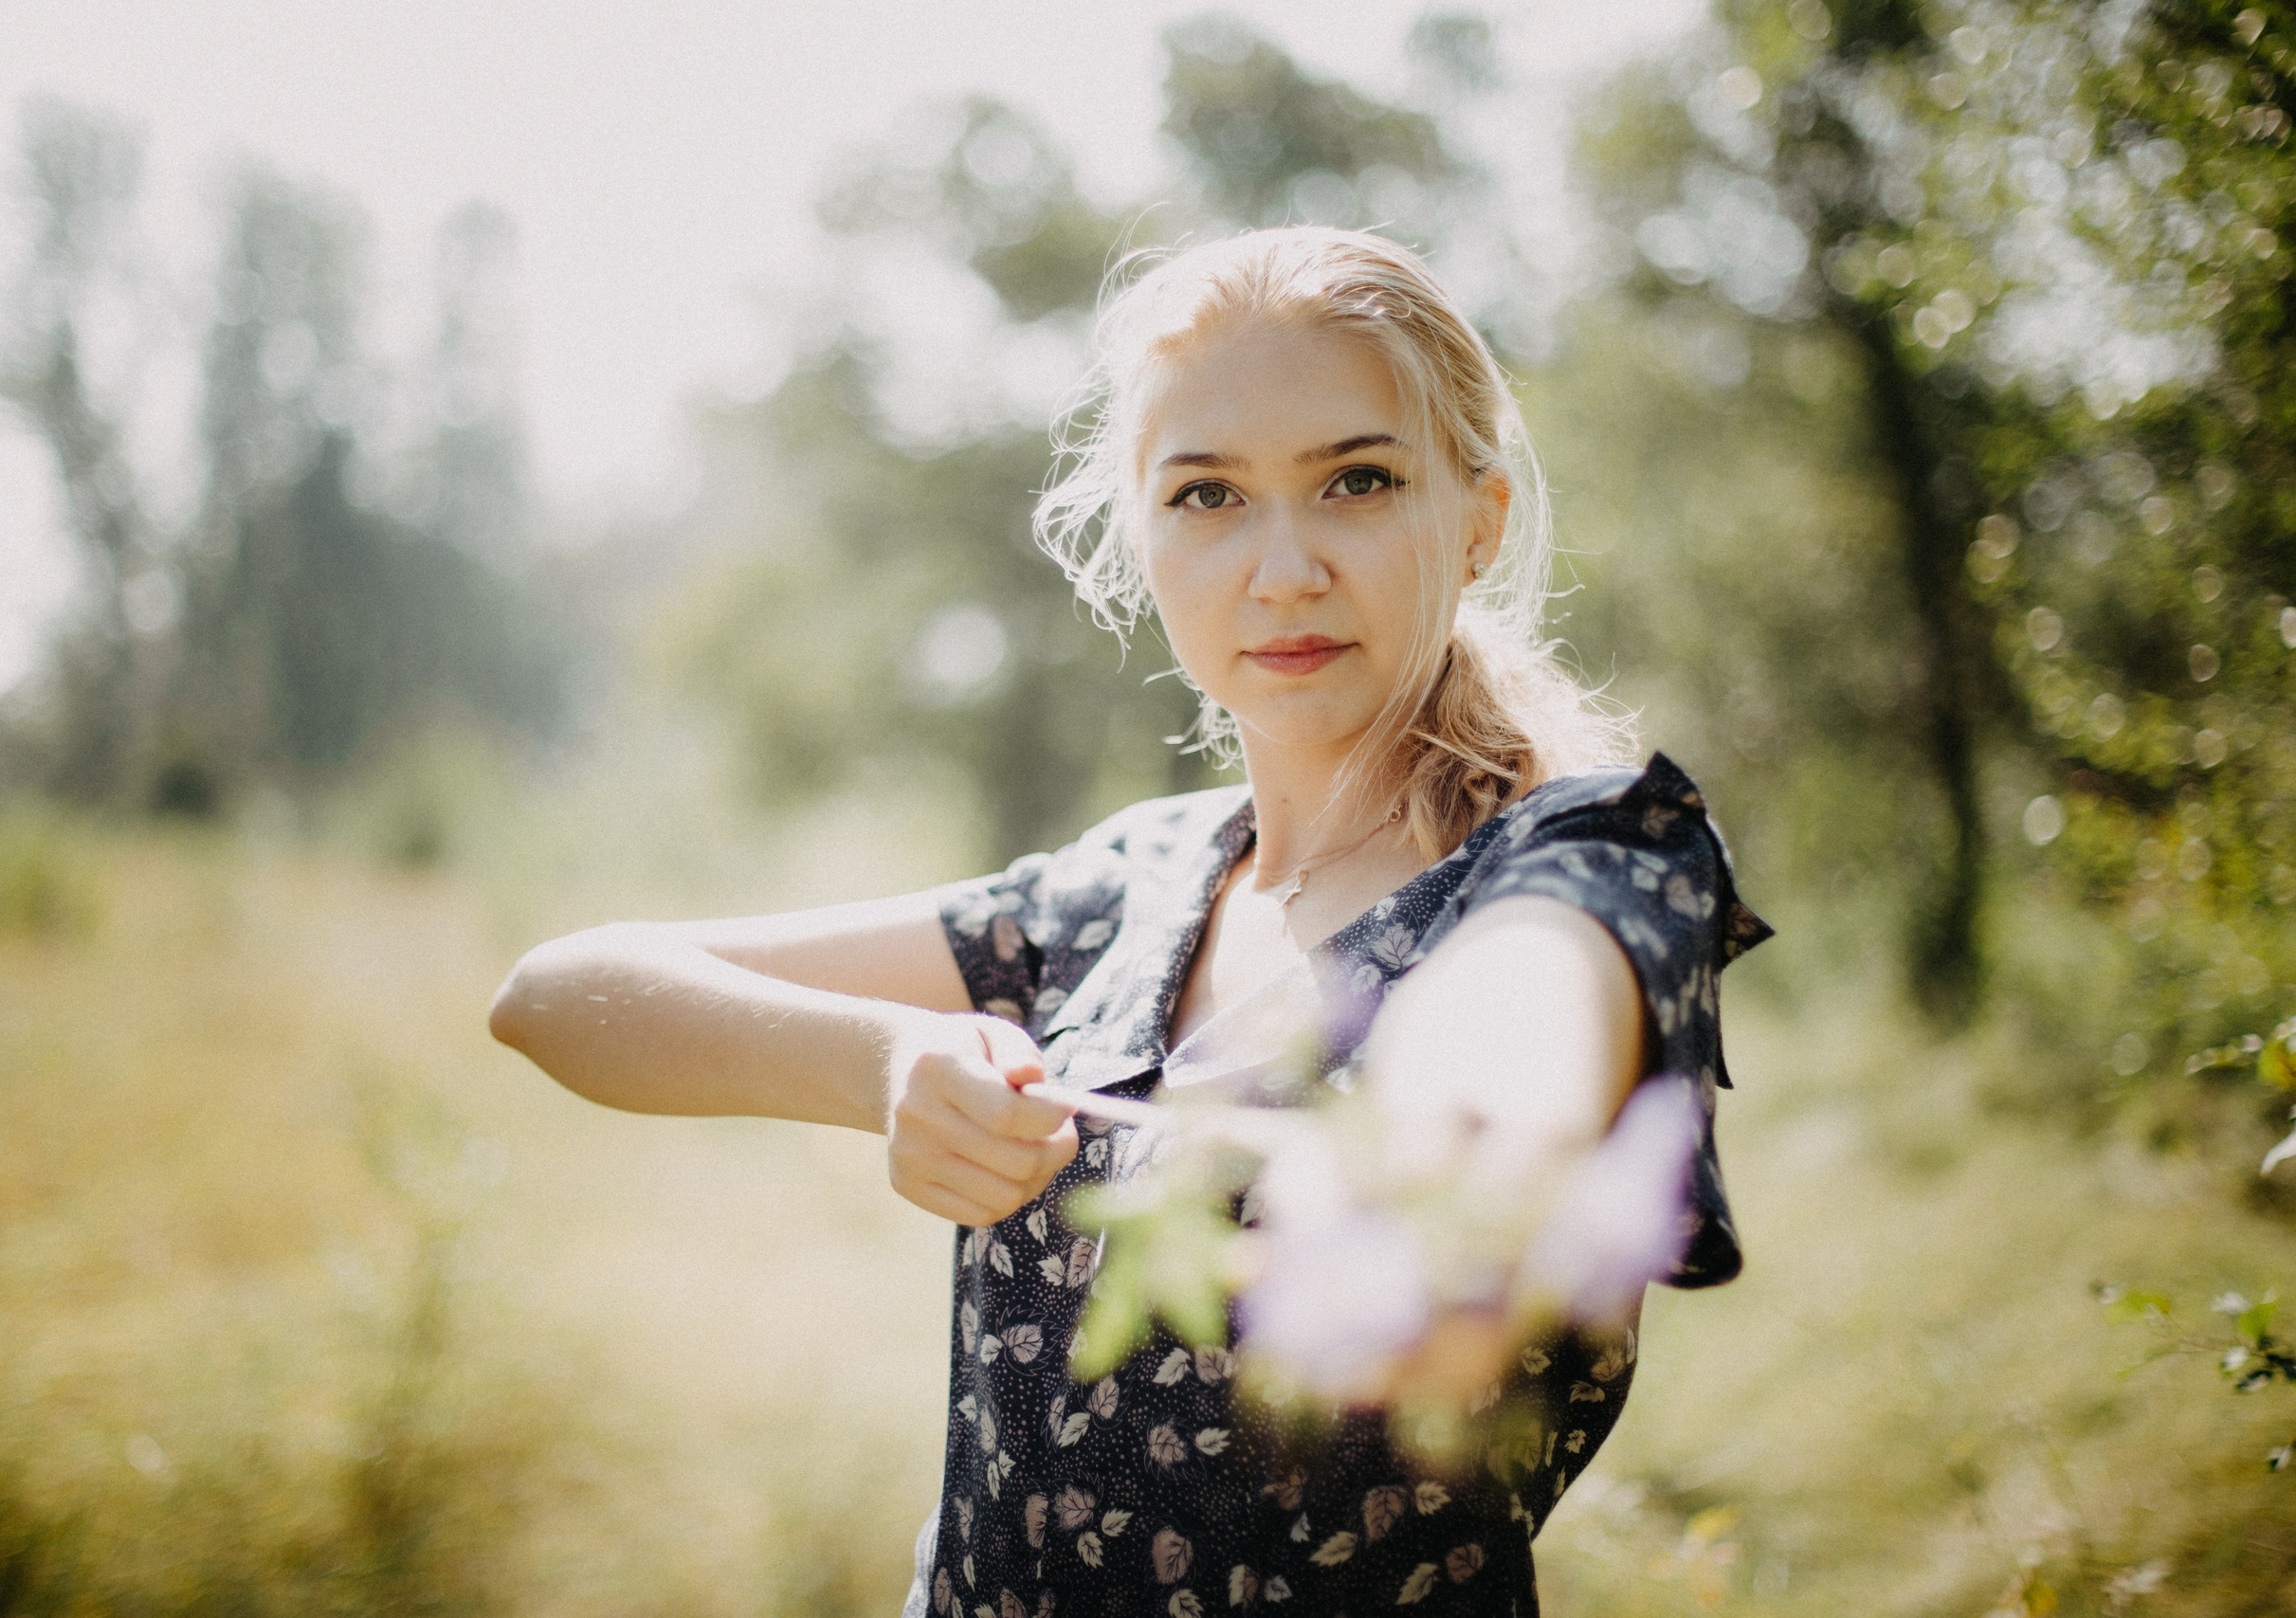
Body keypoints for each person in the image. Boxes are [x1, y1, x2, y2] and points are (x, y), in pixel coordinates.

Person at [490, 227, 1769, 1618]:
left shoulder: (1597, 845)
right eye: (1209, 495)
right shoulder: (1117, 893)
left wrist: (1445, 1150)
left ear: (1479, 519)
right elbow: (557, 995)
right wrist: (884, 1065)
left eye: (1358, 480)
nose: (1283, 568)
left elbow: (1526, 1003)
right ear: (1140, 537)